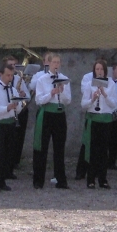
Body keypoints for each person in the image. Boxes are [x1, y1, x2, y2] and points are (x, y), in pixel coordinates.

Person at [33, 53, 71, 189]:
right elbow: (38, 100)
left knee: (59, 149)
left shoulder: (64, 79)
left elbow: (68, 100)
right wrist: (52, 93)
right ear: (48, 63)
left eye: (58, 62)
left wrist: (62, 90)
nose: (56, 64)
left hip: (59, 114)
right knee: (41, 148)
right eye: (53, 62)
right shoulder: (42, 80)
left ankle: (61, 180)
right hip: (47, 114)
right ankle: (38, 181)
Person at [80, 60, 117, 189]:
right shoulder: (90, 84)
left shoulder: (111, 84)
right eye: (97, 69)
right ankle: (90, 179)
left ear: (105, 71)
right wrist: (93, 99)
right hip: (93, 120)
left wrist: (105, 94)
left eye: (101, 69)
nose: (99, 71)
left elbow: (114, 104)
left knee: (103, 151)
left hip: (105, 120)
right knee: (93, 151)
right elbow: (83, 105)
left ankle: (103, 179)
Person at [0, 62, 22, 192]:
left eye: (12, 75)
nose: (10, 78)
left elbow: (19, 108)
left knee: (8, 153)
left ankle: (2, 181)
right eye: (7, 75)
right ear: (0, 75)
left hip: (10, 123)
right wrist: (7, 108)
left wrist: (18, 105)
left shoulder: (13, 89)